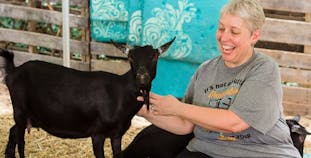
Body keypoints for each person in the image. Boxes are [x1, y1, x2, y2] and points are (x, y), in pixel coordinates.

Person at [136, 0, 301, 157]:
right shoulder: (206, 70)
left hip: (262, 152)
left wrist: (177, 108)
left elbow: (235, 123)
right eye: (221, 28)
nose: (224, 37)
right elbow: (186, 125)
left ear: (254, 36)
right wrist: (143, 111)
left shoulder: (264, 68)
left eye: (234, 31)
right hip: (208, 151)